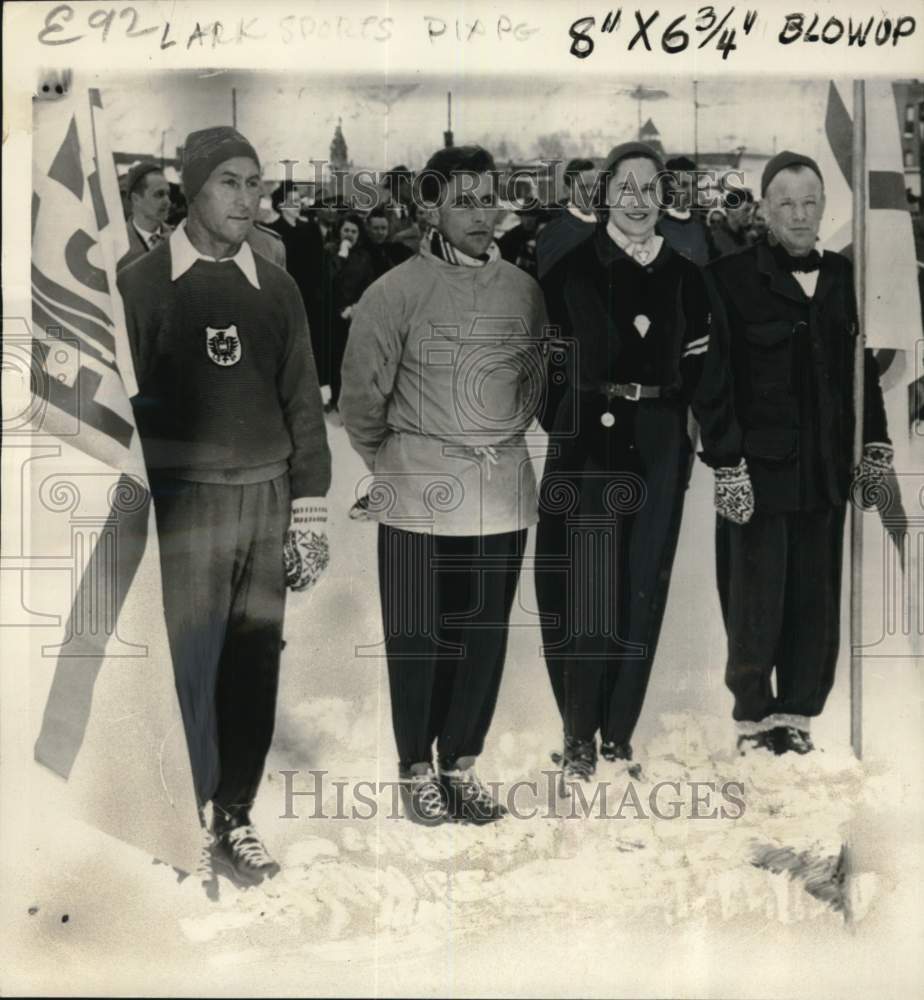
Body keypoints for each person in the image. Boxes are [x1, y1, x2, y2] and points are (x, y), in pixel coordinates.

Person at [117, 126, 331, 891]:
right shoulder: (140, 286)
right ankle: (179, 811)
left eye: (256, 182)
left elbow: (302, 399)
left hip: (265, 497)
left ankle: (233, 813)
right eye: (231, 183)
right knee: (188, 658)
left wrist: (308, 507)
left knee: (252, 661)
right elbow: (120, 409)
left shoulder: (276, 285)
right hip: (184, 507)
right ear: (192, 191)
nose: (250, 198)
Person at [339, 144, 548, 826]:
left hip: (500, 490)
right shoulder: (392, 292)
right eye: (463, 200)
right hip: (419, 491)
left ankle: (460, 762)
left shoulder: (523, 290)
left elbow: (533, 383)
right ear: (430, 206)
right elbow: (362, 405)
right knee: (419, 637)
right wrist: (402, 466)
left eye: (489, 199)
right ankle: (415, 767)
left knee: (482, 633)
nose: (480, 214)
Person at [693, 150, 892, 756]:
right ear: (764, 210)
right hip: (759, 474)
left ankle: (798, 713)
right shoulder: (727, 279)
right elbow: (713, 382)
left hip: (825, 473)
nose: (800, 216)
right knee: (756, 602)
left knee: (815, 601)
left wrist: (874, 446)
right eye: (786, 204)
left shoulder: (841, 279)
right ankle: (754, 718)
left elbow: (860, 370)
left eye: (810, 204)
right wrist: (727, 463)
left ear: (825, 208)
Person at [536, 142, 710, 789]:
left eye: (650, 187)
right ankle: (579, 734)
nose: (638, 200)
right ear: (604, 193)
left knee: (642, 588)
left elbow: (699, 369)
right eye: (626, 187)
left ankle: (618, 733)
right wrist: (566, 420)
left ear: (666, 196)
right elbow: (546, 367)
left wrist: (683, 435)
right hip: (589, 445)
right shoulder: (571, 271)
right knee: (587, 589)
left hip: (660, 443)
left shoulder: (687, 275)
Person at [266, 183, 328, 388]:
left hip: (311, 296)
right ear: (281, 205)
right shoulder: (274, 232)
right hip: (287, 296)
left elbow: (320, 265)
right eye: (292, 201)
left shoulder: (311, 229)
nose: (298, 205)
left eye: (299, 200)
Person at [536, 157, 599, 280]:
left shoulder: (606, 224)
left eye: (594, 186)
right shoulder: (554, 232)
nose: (591, 193)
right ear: (567, 190)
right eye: (583, 187)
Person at [658, 155, 713, 267]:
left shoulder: (703, 227)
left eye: (693, 184)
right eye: (684, 185)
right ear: (669, 187)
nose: (690, 191)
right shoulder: (655, 228)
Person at [118, 161, 173, 271]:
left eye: (168, 194)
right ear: (136, 199)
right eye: (159, 194)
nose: (168, 202)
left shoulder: (178, 239)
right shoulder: (117, 244)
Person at [709, 187, 757, 259]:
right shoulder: (715, 238)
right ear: (731, 210)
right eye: (746, 210)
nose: (750, 214)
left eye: (751, 211)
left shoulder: (746, 235)